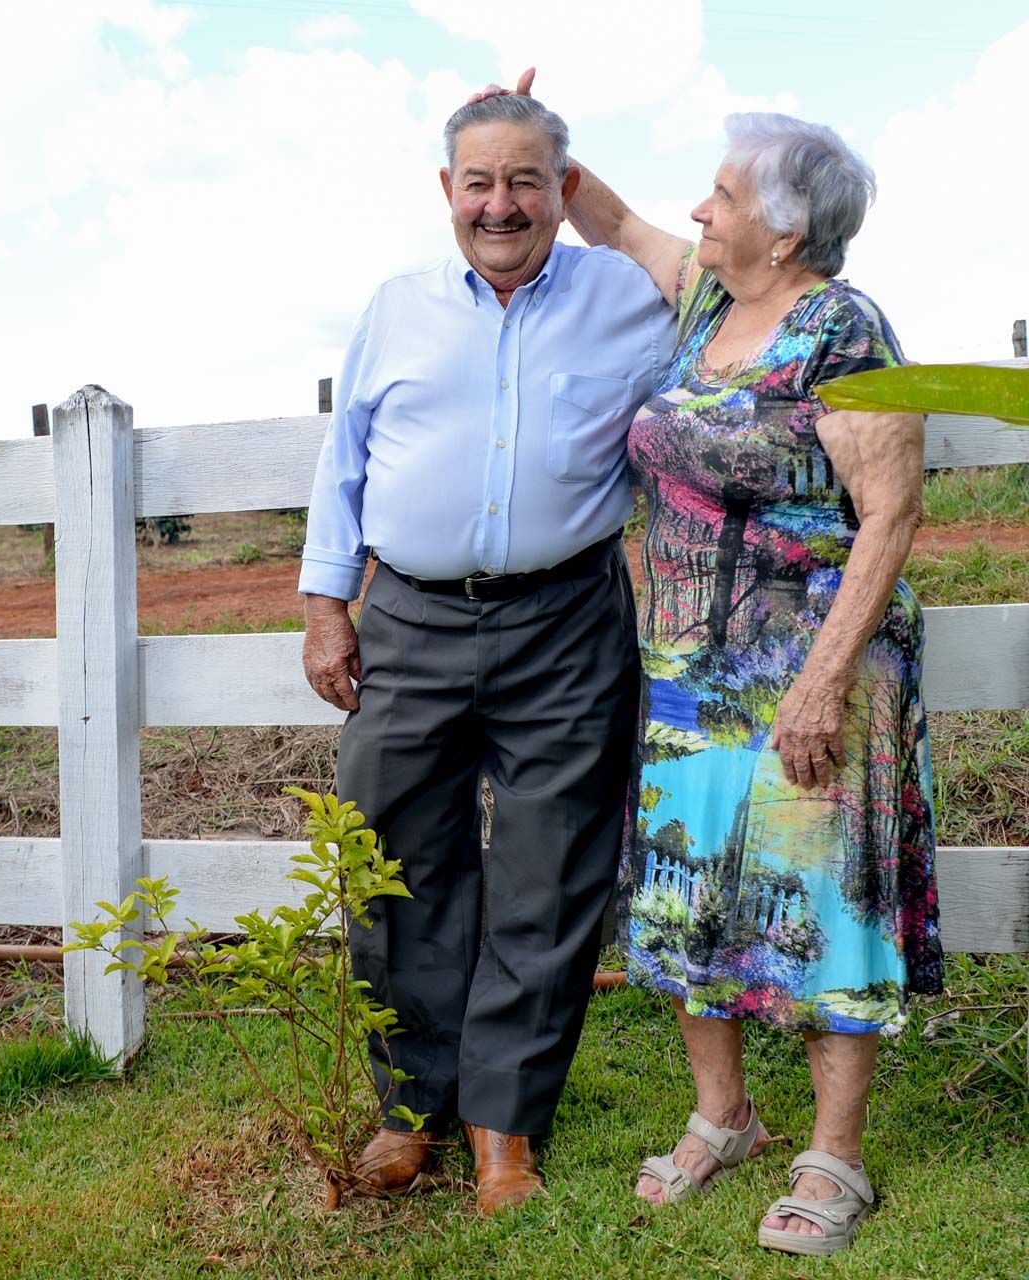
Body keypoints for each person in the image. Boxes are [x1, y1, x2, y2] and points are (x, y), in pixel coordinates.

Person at [538, 89, 941, 1258]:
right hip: (680, 667)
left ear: (787, 231)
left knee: (824, 902)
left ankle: (836, 1156)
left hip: (813, 671)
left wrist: (820, 683)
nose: (698, 210)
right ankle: (725, 1115)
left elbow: (889, 516)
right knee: (684, 888)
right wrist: (536, 132)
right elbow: (605, 218)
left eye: (722, 196)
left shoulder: (849, 334)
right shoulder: (710, 294)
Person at [297, 90, 671, 1215]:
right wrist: (327, 603)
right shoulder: (397, 305)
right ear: (447, 191)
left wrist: (610, 201)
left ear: (564, 189)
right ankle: (411, 1110)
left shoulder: (633, 298)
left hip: (568, 622)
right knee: (399, 860)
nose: (499, 205)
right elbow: (345, 457)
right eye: (478, 181)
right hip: (408, 617)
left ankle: (504, 1126)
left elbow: (726, 289)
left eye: (524, 180)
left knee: (549, 872)